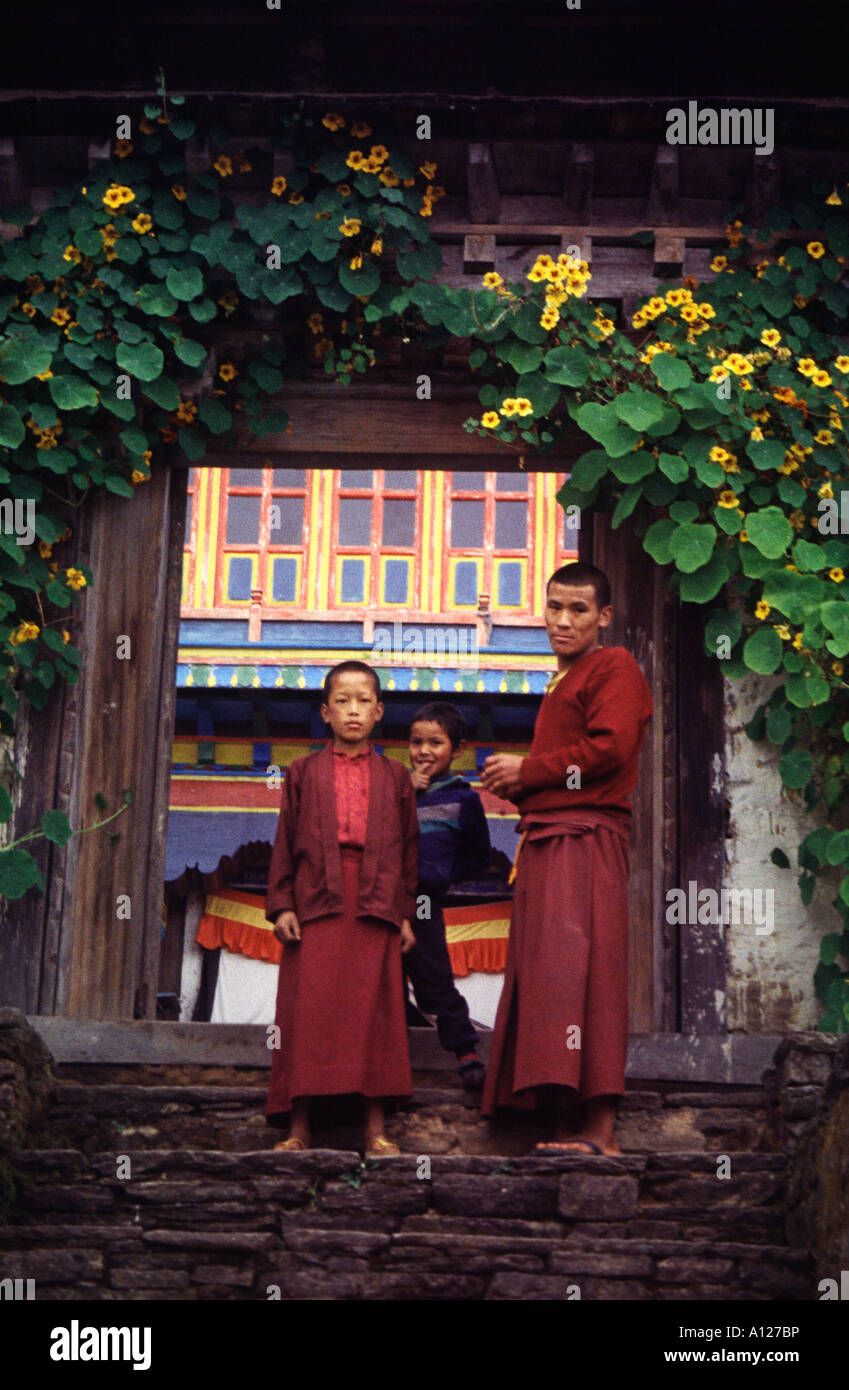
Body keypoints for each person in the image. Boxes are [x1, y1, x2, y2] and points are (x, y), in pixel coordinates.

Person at [479, 562, 653, 1155]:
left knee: (589, 974)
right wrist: (522, 786)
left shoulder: (615, 667)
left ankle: (600, 1128)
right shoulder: (564, 680)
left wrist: (528, 771)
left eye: (578, 610)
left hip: (584, 840)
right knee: (554, 978)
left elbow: (610, 749)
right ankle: (561, 1125)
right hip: (549, 841)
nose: (562, 621)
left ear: (604, 616)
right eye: (554, 607)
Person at [264, 660, 418, 1157]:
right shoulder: (303, 771)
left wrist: (407, 913)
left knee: (376, 1011)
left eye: (363, 701)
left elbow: (409, 852)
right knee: (308, 1011)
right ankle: (299, 1129)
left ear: (379, 711)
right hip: (315, 897)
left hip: (377, 898)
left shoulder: (396, 776)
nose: (353, 710)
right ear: (325, 712)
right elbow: (285, 841)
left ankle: (375, 1130)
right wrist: (282, 904)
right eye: (342, 701)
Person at [406, 702, 492, 1091]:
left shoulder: (464, 800)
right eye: (416, 742)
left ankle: (466, 1051)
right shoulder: (394, 789)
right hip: (382, 900)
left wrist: (440, 877)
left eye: (435, 743)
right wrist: (402, 795)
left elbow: (478, 857)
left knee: (434, 977)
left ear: (457, 750)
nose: (423, 751)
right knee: (381, 978)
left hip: (424, 900)